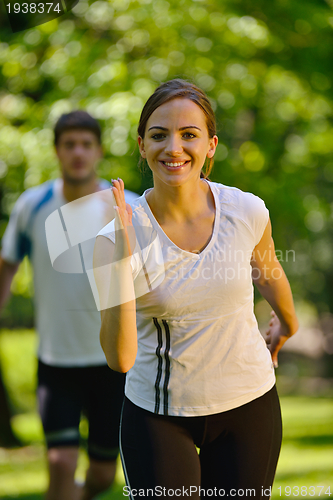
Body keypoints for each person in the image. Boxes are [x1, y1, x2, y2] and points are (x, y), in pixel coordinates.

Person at [93, 79, 299, 499]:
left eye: (189, 134)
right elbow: (120, 358)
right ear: (141, 145)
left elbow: (269, 272)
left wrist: (287, 328)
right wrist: (120, 257)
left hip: (249, 402)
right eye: (158, 135)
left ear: (211, 146)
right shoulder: (116, 234)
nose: (173, 147)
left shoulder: (245, 210)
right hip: (159, 415)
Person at [0, 111, 138, 500]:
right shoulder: (32, 205)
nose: (78, 152)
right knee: (60, 465)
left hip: (113, 363)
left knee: (101, 475)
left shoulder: (126, 207)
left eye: (86, 144)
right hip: (55, 361)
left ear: (98, 150)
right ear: (57, 151)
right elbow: (7, 266)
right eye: (69, 144)